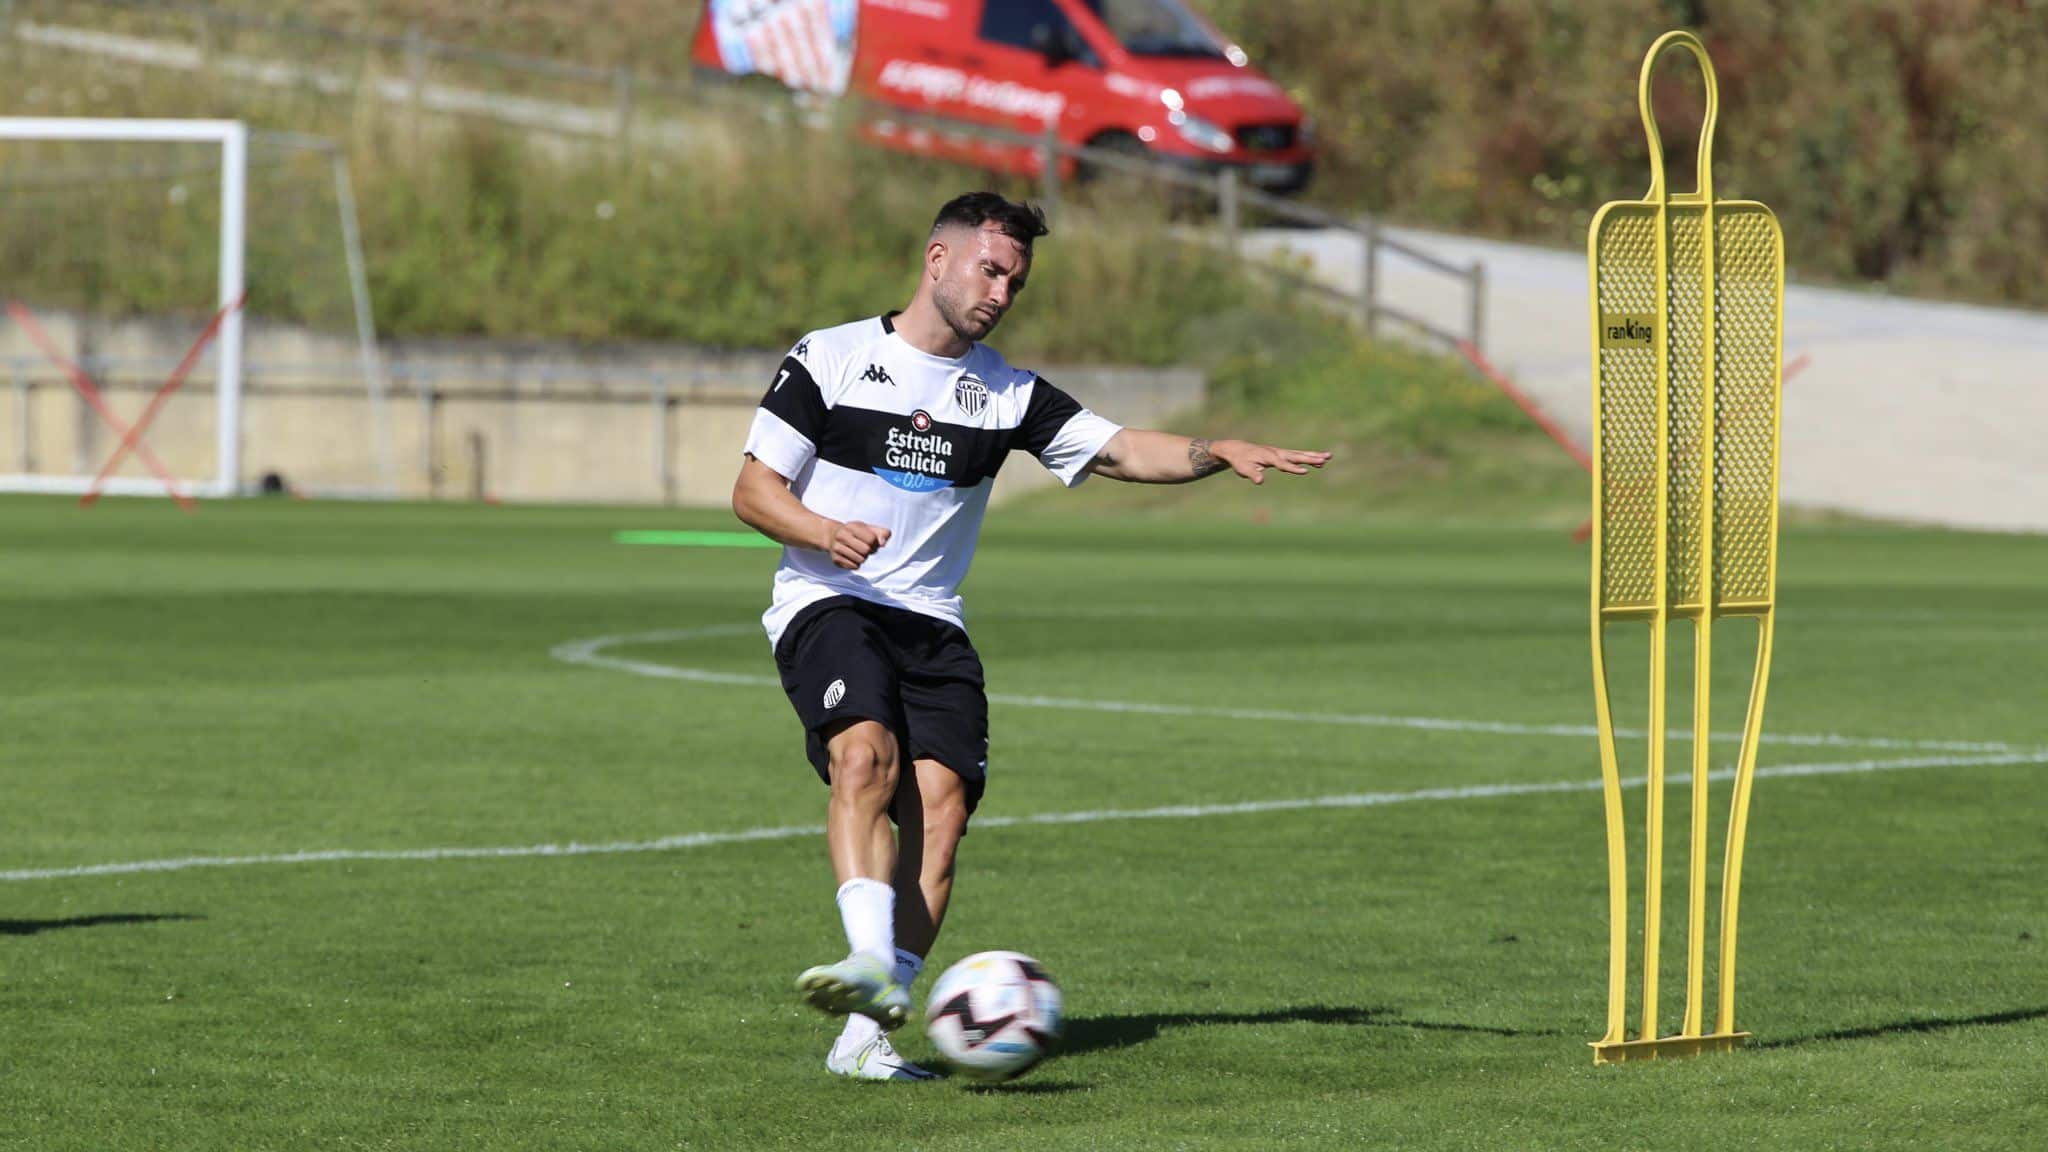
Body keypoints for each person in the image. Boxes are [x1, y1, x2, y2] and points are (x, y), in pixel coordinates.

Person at [731, 191, 1330, 1080]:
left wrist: (1214, 451)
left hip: (932, 620)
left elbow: (1123, 449)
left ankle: (866, 1033)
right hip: (831, 596)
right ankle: (865, 961)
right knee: (866, 758)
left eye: (1016, 280)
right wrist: (823, 533)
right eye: (992, 270)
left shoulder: (1006, 393)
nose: (1003, 291)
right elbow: (752, 491)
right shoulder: (831, 358)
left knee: (942, 814)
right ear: (938, 260)